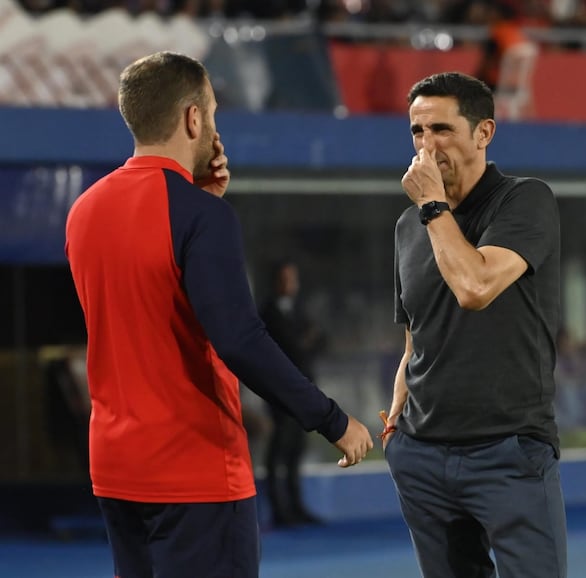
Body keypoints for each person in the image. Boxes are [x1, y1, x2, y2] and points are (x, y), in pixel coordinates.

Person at [65, 51, 372, 578]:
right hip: (195, 470)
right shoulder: (203, 217)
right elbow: (239, 338)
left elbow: (144, 310)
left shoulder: (84, 210)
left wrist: (199, 202)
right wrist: (330, 419)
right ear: (192, 118)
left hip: (117, 471)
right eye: (212, 112)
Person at [382, 71, 566, 578]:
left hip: (508, 452)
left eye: (441, 129)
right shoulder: (408, 227)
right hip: (422, 455)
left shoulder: (525, 201)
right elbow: (415, 336)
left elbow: (475, 288)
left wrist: (433, 206)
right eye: (417, 132)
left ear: (483, 133)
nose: (426, 145)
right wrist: (398, 425)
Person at [260, 260, 326, 527]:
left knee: (297, 449)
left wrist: (304, 342)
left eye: (293, 278)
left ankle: (296, 507)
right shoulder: (268, 311)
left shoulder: (298, 309)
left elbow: (320, 339)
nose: (291, 284)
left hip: (303, 389)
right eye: (286, 278)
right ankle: (279, 510)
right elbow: (291, 347)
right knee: (280, 448)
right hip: (278, 392)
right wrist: (304, 341)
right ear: (276, 281)